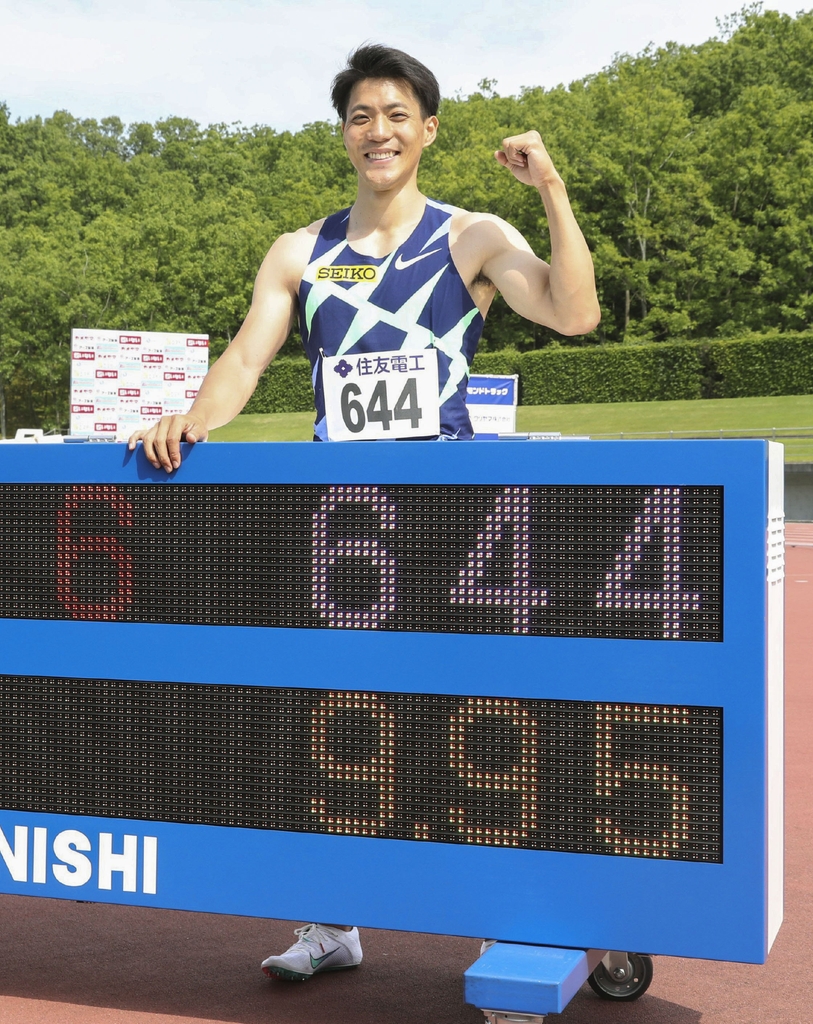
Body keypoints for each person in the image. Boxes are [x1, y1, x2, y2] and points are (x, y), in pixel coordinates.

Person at [128, 44, 600, 979]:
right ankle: (332, 922)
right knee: (334, 725)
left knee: (473, 724)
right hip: (341, 526)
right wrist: (193, 416)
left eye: (395, 115)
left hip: (452, 523)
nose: (376, 131)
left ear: (427, 129)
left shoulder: (470, 235)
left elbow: (571, 312)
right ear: (342, 131)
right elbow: (245, 363)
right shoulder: (300, 251)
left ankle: (514, 913)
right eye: (359, 115)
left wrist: (550, 190)